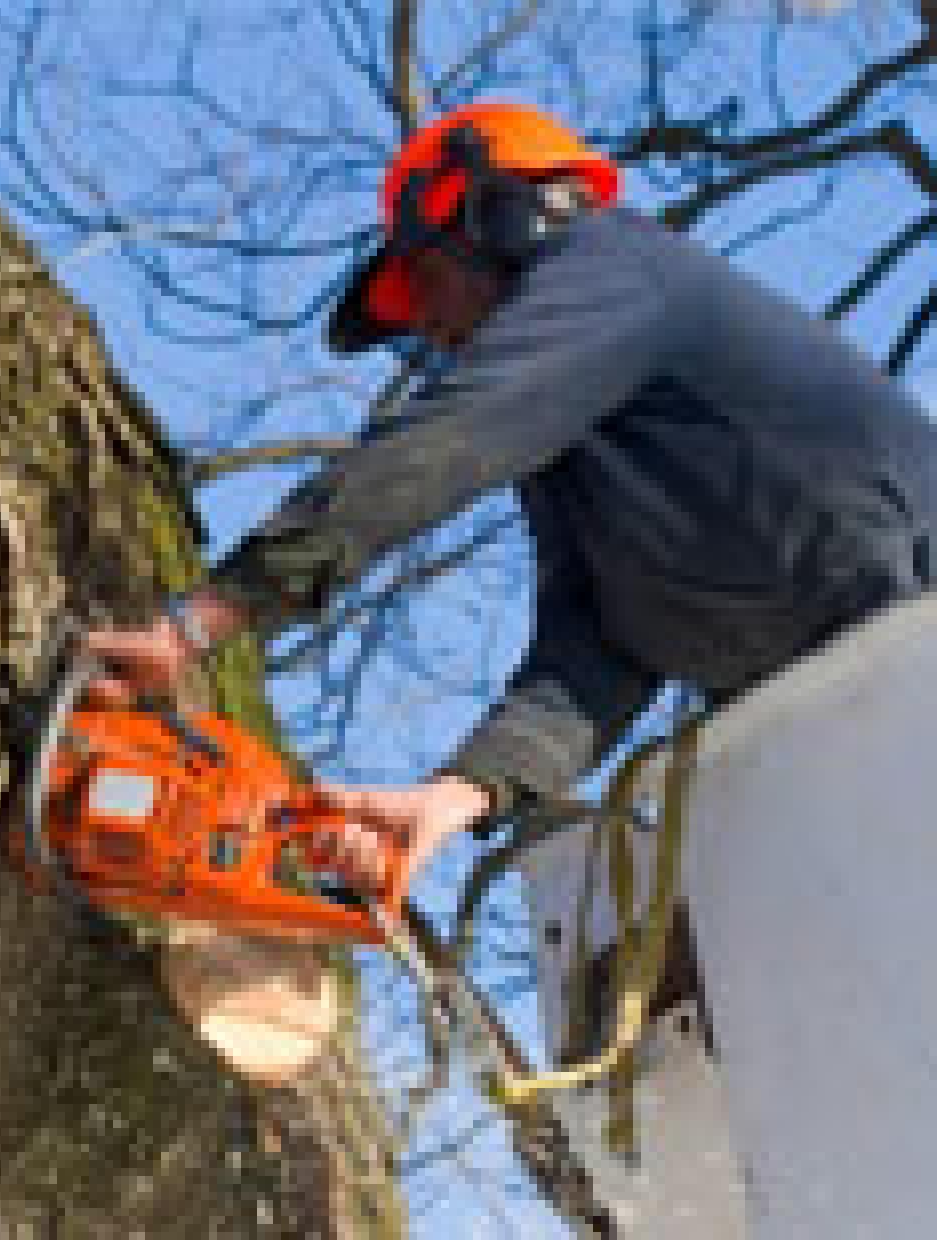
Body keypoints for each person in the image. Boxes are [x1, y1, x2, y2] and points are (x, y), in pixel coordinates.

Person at [85, 101, 937, 892]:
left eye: (423, 284)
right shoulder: (576, 452)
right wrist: (457, 797)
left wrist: (196, 624)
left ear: (503, 217)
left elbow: (440, 447)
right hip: (843, 728)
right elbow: (593, 650)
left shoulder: (616, 270)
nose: (425, 325)